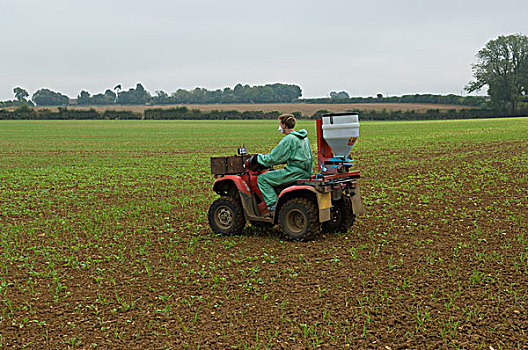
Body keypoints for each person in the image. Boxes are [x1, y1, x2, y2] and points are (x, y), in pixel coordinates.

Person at [255, 114, 313, 212]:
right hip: (306, 171)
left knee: (262, 178)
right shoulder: (303, 137)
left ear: (284, 125)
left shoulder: (289, 139)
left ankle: (273, 206)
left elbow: (273, 158)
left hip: (295, 171)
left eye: (280, 124)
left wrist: (257, 158)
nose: (280, 127)